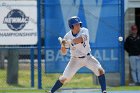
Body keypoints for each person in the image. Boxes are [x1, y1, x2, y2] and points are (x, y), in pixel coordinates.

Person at [48, 16, 107, 93]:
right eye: (76, 25)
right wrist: (63, 45)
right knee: (64, 78)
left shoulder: (84, 31)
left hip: (88, 57)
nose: (78, 26)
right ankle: (51, 91)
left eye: (79, 24)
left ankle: (104, 91)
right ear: (71, 26)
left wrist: (69, 42)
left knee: (100, 70)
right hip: (75, 60)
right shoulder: (67, 36)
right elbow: (63, 52)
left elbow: (80, 39)